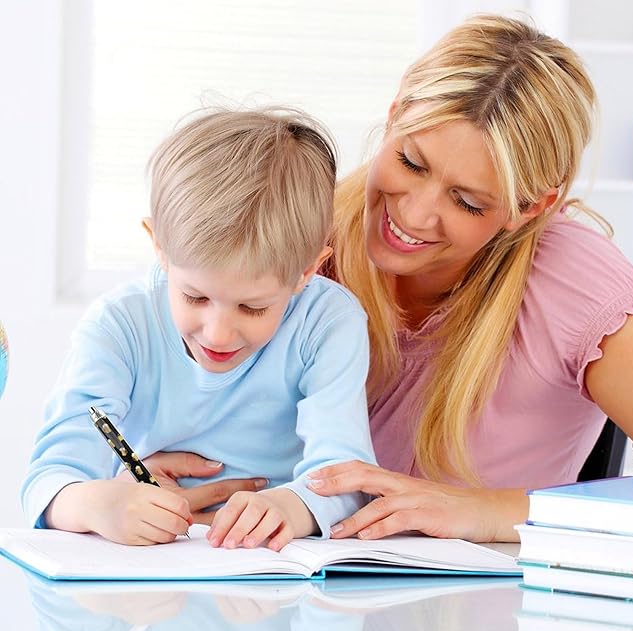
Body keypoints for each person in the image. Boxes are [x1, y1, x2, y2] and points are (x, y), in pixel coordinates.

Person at [132, 13, 633, 543]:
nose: (414, 216)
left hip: (481, 603)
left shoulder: (576, 289)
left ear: (533, 206)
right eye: (411, 163)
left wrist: (486, 510)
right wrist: (140, 474)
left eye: (467, 202)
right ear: (394, 115)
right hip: (265, 589)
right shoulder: (299, 239)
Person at [21, 106, 376, 549]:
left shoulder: (328, 322)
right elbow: (47, 480)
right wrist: (95, 504)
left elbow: (348, 479)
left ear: (307, 271)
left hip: (275, 568)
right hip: (154, 564)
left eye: (252, 307)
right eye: (195, 297)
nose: (218, 334)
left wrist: (291, 507)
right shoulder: (119, 325)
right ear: (159, 246)